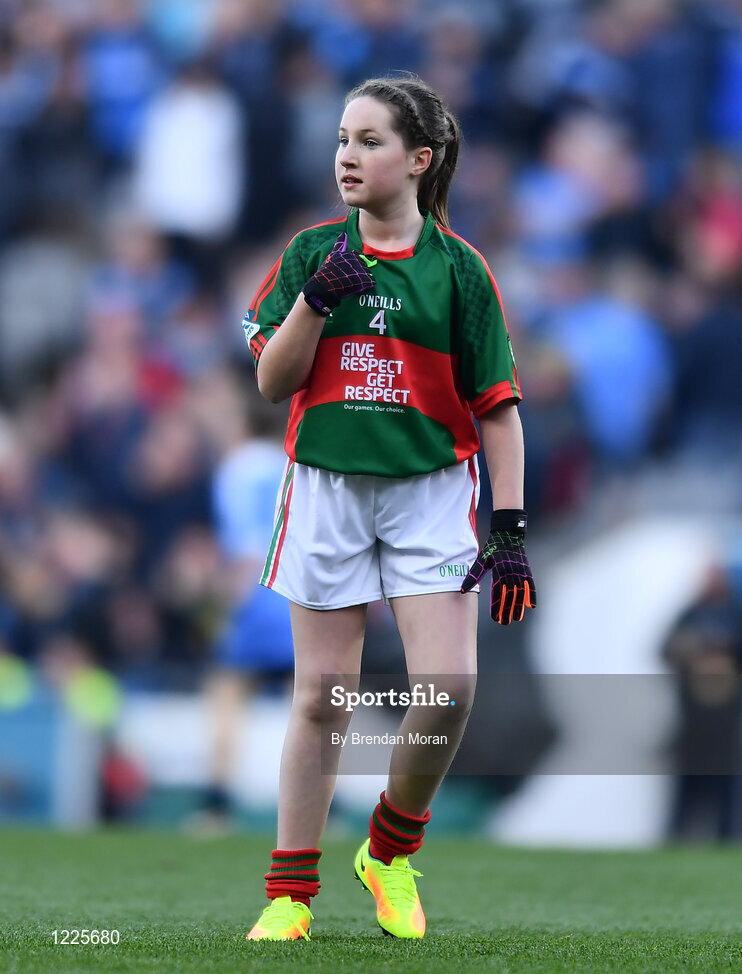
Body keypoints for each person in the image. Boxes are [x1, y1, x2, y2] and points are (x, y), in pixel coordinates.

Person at [242, 73, 536, 942]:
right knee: (322, 698)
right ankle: (290, 897)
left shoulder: (460, 270)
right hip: (328, 486)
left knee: (447, 692)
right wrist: (314, 301)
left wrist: (510, 528)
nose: (347, 154)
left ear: (419, 159)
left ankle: (389, 851)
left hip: (432, 494)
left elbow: (498, 405)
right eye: (342, 137)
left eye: (369, 141)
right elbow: (270, 382)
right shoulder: (310, 255)